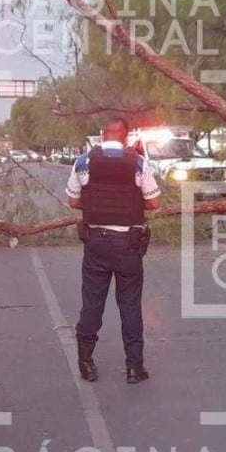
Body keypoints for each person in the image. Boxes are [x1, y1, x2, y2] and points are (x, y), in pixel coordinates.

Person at [66, 117, 161, 384]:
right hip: (127, 246)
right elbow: (154, 202)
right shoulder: (138, 163)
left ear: (101, 135)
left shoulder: (84, 161)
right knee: (130, 305)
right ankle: (134, 368)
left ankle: (86, 364)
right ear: (126, 137)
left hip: (96, 243)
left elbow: (73, 200)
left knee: (92, 304)